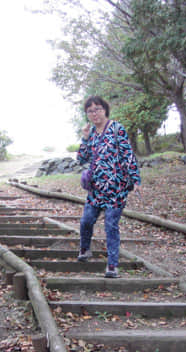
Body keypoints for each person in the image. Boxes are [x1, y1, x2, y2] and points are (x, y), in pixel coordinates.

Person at [76, 96, 141, 278]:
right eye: (90, 111)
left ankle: (112, 266)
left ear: (105, 109)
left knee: (111, 225)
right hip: (95, 189)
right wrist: (85, 138)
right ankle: (85, 249)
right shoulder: (92, 134)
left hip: (116, 188)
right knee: (86, 221)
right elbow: (81, 158)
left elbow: (128, 154)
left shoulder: (116, 128)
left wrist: (135, 179)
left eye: (97, 109)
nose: (94, 113)